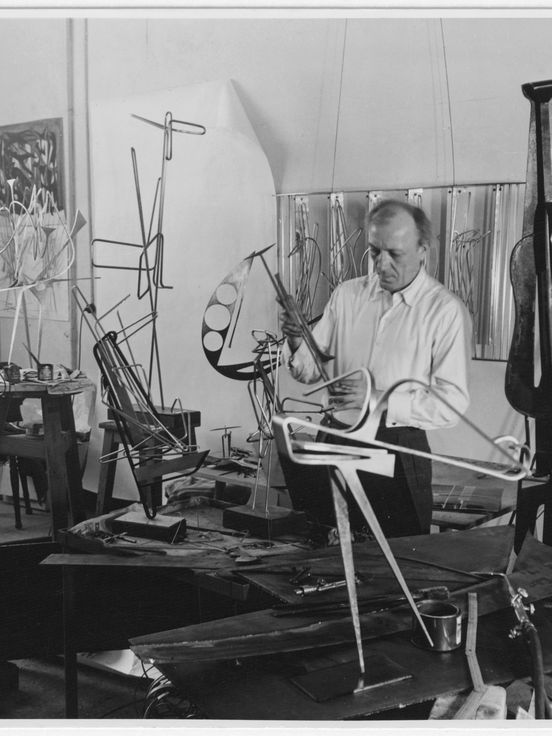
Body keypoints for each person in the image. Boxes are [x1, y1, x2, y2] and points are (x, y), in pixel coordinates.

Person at [279, 199, 472, 538]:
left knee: (397, 564)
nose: (381, 264)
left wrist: (377, 399)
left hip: (396, 449)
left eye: (394, 254)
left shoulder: (444, 311)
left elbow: (451, 404)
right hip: (334, 439)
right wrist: (297, 340)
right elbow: (309, 371)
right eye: (374, 251)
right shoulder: (347, 296)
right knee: (325, 551)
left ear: (422, 250)